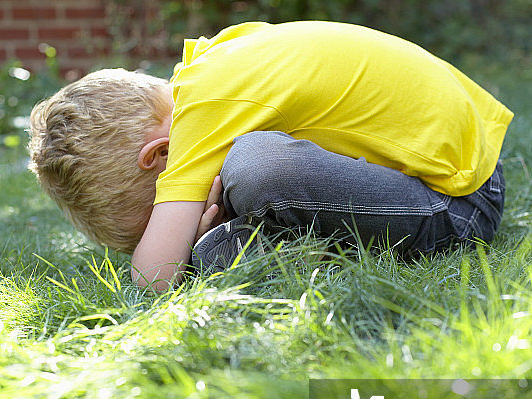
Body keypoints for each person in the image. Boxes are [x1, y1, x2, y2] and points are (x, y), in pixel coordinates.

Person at [28, 20, 514, 293]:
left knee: (256, 166)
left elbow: (152, 279)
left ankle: (300, 254)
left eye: (159, 211)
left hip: (456, 204)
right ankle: (304, 252)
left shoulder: (204, 108)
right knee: (219, 246)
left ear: (160, 155)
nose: (173, 216)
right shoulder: (213, 63)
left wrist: (176, 241)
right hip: (429, 175)